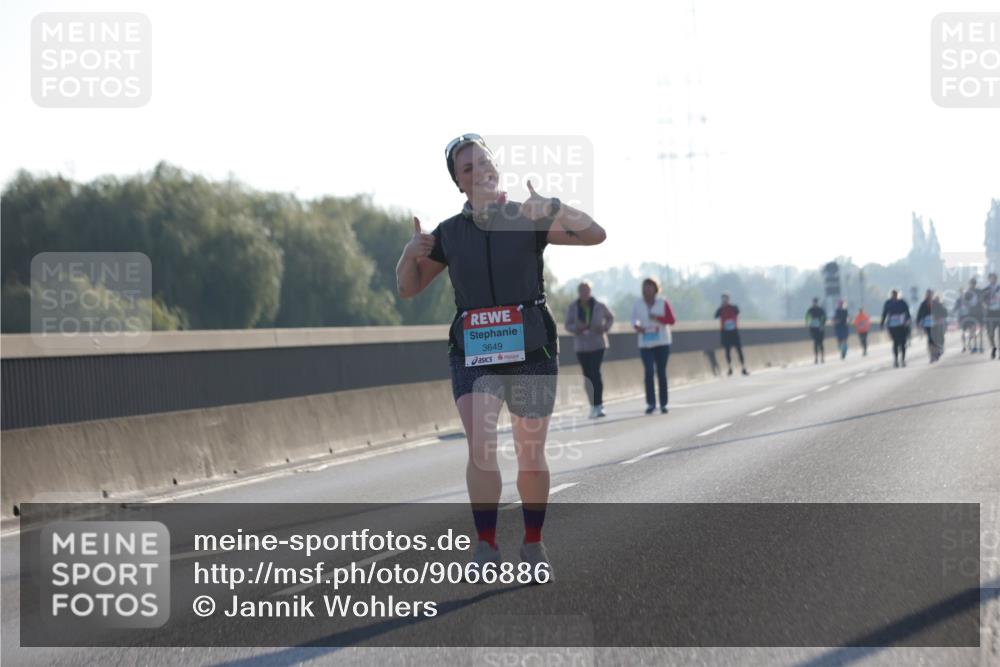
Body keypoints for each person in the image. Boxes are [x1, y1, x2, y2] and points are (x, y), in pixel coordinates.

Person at [395, 133, 606, 581]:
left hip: (531, 347)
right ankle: (486, 546)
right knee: (481, 448)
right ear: (459, 183)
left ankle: (533, 542)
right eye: (467, 168)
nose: (479, 172)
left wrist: (554, 206)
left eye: (483, 163)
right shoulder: (449, 234)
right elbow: (410, 287)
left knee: (530, 454)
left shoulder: (527, 217)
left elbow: (594, 234)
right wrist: (407, 256)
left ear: (497, 168)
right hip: (475, 352)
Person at [564, 281, 614, 418]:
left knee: (595, 372)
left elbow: (610, 318)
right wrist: (576, 328)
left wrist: (604, 328)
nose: (585, 294)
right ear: (579, 293)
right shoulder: (573, 307)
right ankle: (592, 405)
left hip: (598, 343)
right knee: (587, 375)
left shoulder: (599, 305)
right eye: (582, 291)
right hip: (582, 345)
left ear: (590, 292)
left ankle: (599, 405)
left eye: (587, 291)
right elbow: (567, 325)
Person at [631, 277, 675, 414]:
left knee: (661, 372)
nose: (648, 289)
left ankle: (663, 403)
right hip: (645, 343)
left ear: (655, 288)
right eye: (646, 286)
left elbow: (671, 320)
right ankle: (651, 403)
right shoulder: (638, 303)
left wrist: (658, 318)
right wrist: (637, 326)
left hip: (662, 342)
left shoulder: (663, 302)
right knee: (649, 372)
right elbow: (634, 319)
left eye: (650, 286)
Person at [713, 293, 749, 376]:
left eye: (726, 299)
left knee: (739, 350)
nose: (724, 300)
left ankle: (743, 367)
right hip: (725, 333)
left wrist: (728, 307)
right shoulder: (721, 309)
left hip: (734, 332)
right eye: (723, 299)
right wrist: (721, 307)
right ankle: (730, 368)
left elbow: (738, 312)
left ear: (729, 299)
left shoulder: (733, 307)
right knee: (727, 351)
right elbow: (715, 316)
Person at [880, 289, 911, 368]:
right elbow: (884, 313)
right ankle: (896, 360)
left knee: (903, 343)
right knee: (895, 343)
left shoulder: (902, 302)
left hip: (902, 326)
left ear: (898, 295)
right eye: (893, 294)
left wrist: (908, 320)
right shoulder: (888, 303)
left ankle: (903, 360)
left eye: (896, 294)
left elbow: (907, 313)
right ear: (891, 295)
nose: (894, 296)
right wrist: (882, 323)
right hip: (893, 326)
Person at [955, 278, 983, 353]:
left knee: (976, 330)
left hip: (974, 314)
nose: (972, 285)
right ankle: (969, 345)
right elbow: (959, 306)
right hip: (966, 316)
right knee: (968, 331)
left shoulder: (978, 292)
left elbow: (980, 301)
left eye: (973, 283)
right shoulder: (963, 296)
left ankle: (976, 345)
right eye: (971, 283)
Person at [916, 289, 942, 363]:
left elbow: (942, 312)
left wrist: (940, 318)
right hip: (927, 324)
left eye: (930, 294)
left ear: (932, 295)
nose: (929, 295)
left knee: (935, 339)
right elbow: (919, 314)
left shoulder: (936, 303)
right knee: (930, 340)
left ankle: (937, 352)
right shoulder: (923, 304)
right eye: (928, 294)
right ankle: (931, 356)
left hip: (935, 324)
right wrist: (918, 323)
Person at [983, 272, 1000, 359]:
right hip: (990, 314)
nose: (993, 279)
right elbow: (982, 301)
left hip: (999, 312)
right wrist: (986, 305)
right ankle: (993, 348)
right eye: (991, 278)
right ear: (989, 279)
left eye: (994, 278)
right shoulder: (985, 290)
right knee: (990, 334)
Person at [805, 298, 827, 364]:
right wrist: (808, 323)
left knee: (820, 343)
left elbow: (824, 317)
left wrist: (822, 324)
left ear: (817, 303)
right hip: (813, 328)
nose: (815, 303)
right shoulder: (810, 310)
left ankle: (822, 357)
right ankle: (816, 358)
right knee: (815, 343)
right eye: (814, 302)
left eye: (816, 302)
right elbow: (807, 317)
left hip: (820, 328)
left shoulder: (821, 310)